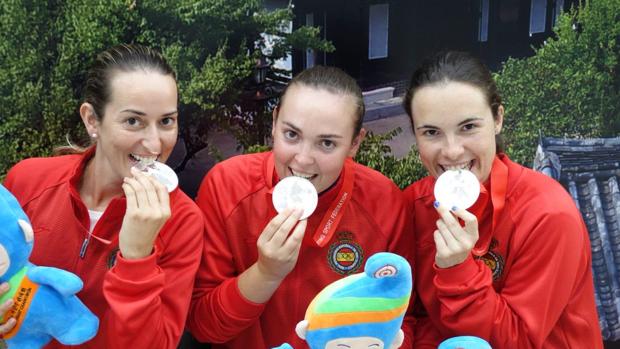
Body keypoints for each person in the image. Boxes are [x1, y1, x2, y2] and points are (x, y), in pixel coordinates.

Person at [187, 65, 415, 349]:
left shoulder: (384, 201)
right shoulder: (227, 186)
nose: (304, 159)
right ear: (274, 123)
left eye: (327, 143)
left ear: (355, 143)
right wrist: (265, 273)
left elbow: (402, 320)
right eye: (292, 135)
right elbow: (204, 326)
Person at [1, 44, 204, 348]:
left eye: (166, 121)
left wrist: (137, 256)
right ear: (92, 120)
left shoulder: (183, 221)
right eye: (133, 121)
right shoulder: (28, 181)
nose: (154, 144)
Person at [402, 51, 603, 348]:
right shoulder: (414, 204)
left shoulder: (547, 215)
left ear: (497, 119)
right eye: (431, 132)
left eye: (468, 127)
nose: (452, 151)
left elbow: (517, 341)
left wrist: (459, 268)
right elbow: (412, 316)